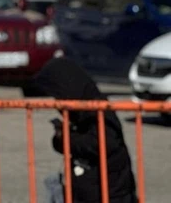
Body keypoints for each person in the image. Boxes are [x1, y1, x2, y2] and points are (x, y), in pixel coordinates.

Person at [31, 58, 137, 203]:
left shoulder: (98, 111)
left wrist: (68, 137)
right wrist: (61, 136)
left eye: (59, 97)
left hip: (110, 194)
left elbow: (101, 143)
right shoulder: (79, 112)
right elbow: (67, 145)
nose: (58, 103)